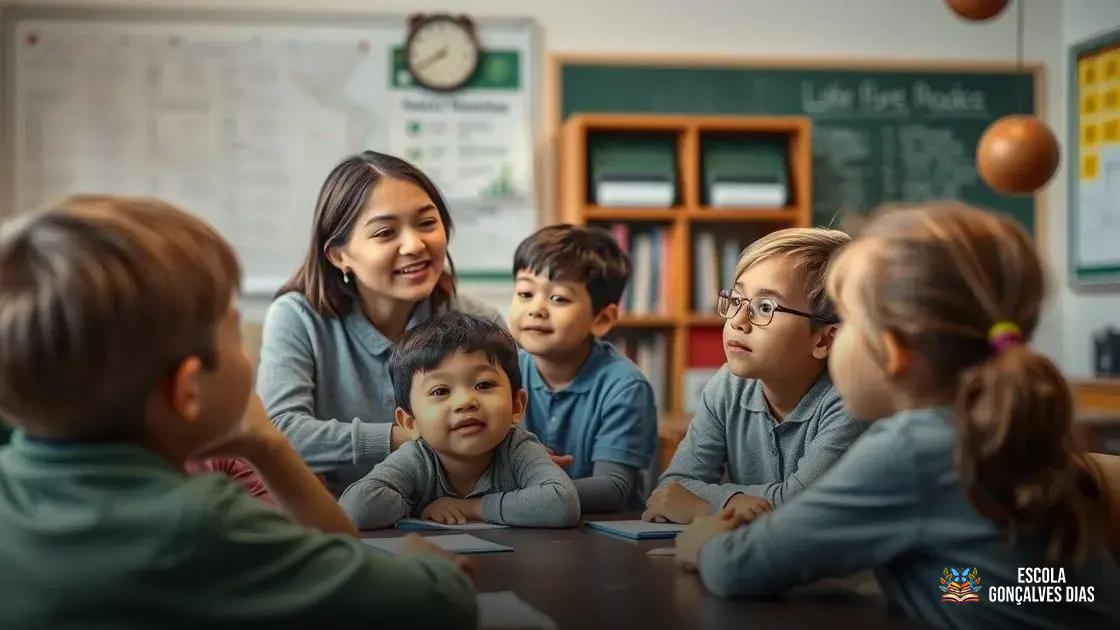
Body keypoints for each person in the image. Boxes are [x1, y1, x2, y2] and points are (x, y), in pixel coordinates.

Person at [0, 195, 477, 626]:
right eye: (234, 335)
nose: (248, 358)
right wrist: (429, 565)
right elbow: (437, 604)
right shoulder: (203, 526)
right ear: (188, 389)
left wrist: (268, 443)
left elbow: (336, 558)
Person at [678, 203, 1120, 628]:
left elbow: (739, 568)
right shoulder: (979, 428)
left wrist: (704, 541)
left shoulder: (912, 449)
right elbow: (980, 587)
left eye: (847, 322)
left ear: (891, 353)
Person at [257, 151, 505, 495]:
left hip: (457, 514)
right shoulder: (297, 317)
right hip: (337, 520)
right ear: (339, 255)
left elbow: (510, 433)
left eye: (427, 223)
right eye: (386, 232)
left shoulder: (481, 323)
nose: (414, 245)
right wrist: (402, 436)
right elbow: (280, 432)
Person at [644, 228, 863, 523]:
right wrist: (736, 502)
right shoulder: (728, 385)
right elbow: (672, 489)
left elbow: (801, 509)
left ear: (823, 340)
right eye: (736, 300)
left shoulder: (851, 403)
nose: (737, 321)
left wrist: (703, 508)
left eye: (765, 307)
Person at [340, 313, 580, 529]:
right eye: (440, 391)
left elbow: (562, 503)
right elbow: (356, 508)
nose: (465, 402)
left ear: (516, 406)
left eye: (483, 385)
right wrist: (416, 506)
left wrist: (471, 508)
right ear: (411, 423)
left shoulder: (519, 448)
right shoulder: (417, 459)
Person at [509, 225, 657, 513]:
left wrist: (516, 490)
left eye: (558, 298)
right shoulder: (503, 372)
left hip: (604, 532)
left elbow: (613, 488)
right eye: (526, 293)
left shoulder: (625, 386)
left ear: (602, 319)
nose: (536, 309)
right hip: (520, 522)